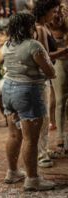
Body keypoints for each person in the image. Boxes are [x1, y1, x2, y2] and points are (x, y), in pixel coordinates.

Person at [0, 12, 56, 191]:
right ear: (29, 27)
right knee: (30, 139)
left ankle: (12, 172)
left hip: (9, 90)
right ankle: (32, 179)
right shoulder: (33, 45)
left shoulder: (8, 44)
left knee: (13, 135)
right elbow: (51, 73)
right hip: (28, 92)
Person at [34, 0, 68, 167]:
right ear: (46, 10)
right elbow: (45, 55)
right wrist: (64, 51)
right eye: (54, 11)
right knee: (43, 116)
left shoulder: (45, 26)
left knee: (44, 116)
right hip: (42, 76)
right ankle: (41, 154)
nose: (56, 14)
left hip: (44, 76)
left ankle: (44, 150)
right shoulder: (40, 28)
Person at [48, 3, 68, 158]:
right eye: (57, 11)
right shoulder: (45, 26)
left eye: (62, 11)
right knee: (60, 100)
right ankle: (60, 139)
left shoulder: (65, 21)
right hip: (58, 62)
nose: (59, 14)